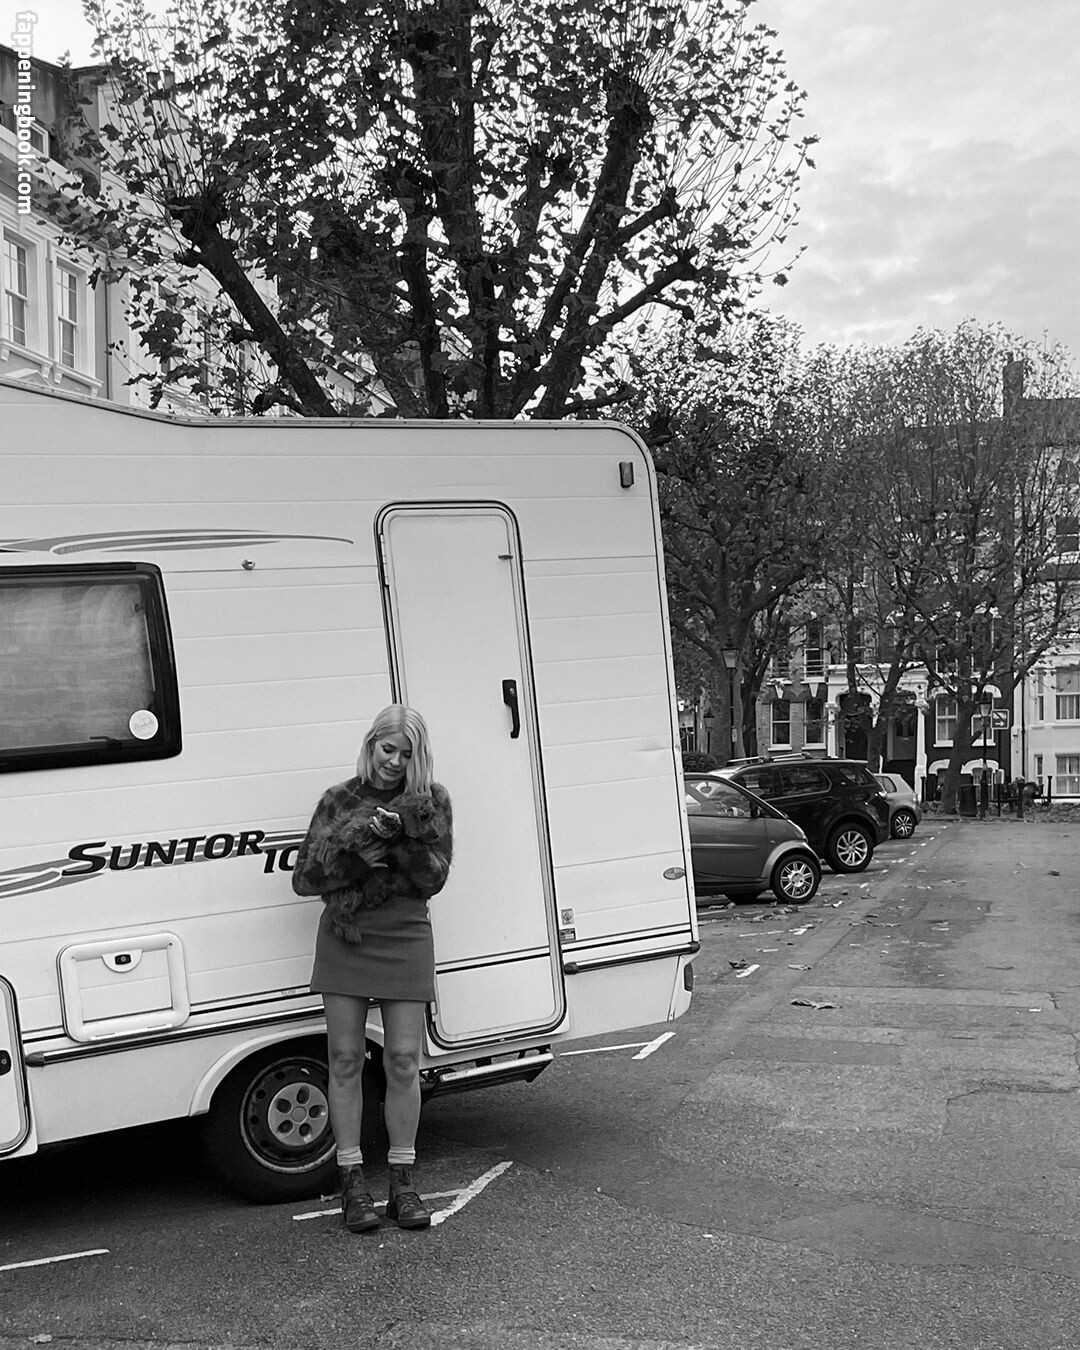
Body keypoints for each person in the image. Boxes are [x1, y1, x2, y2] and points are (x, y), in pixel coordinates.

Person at [291, 704, 453, 1233]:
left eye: (406, 754)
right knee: (344, 1060)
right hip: (347, 934)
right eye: (388, 749)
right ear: (371, 745)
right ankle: (352, 1184)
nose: (394, 762)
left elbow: (435, 879)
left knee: (403, 1060)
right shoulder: (338, 800)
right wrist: (360, 850)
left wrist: (403, 836)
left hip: (405, 934)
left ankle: (402, 1183)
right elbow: (304, 879)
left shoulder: (431, 802)